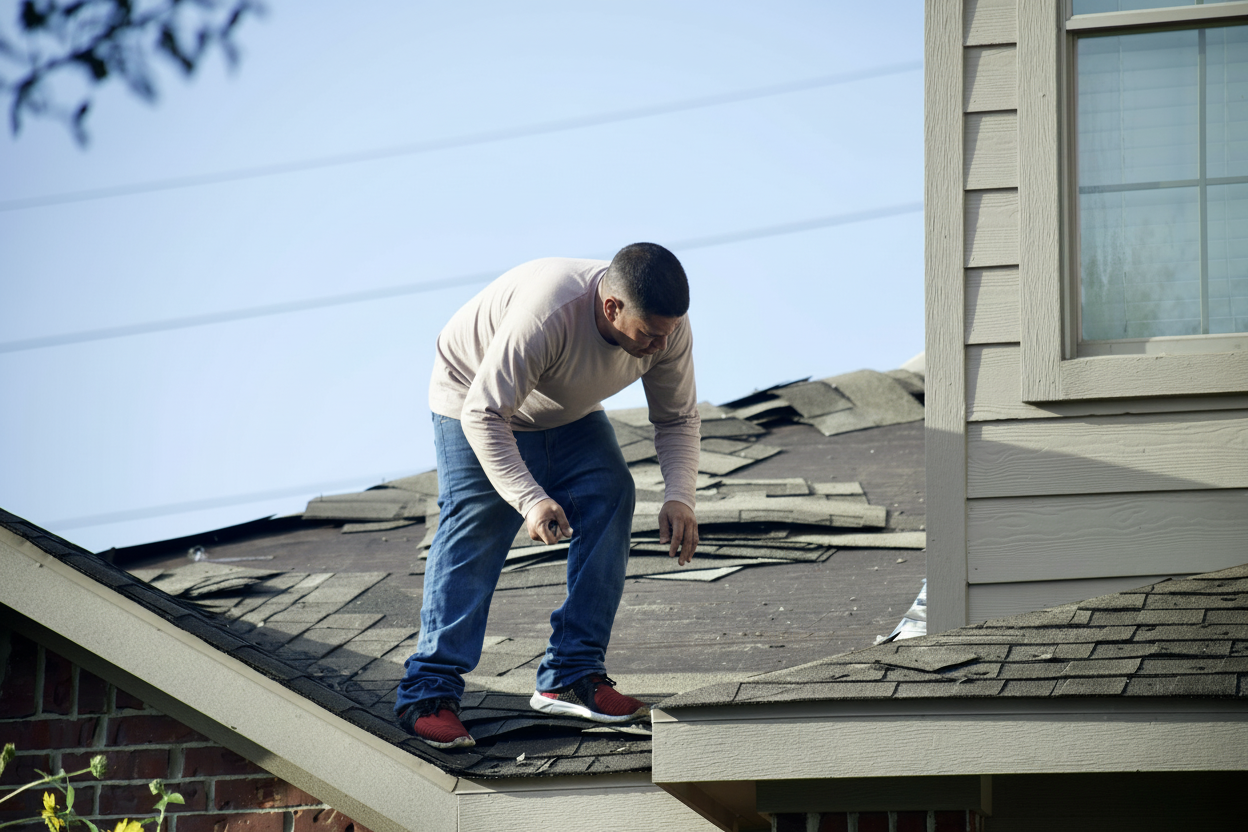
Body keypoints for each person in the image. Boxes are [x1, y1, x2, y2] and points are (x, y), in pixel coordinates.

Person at [393, 243, 701, 749]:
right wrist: (530, 498)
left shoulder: (667, 331)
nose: (655, 347)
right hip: (473, 398)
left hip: (565, 410)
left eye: (664, 335)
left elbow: (677, 418)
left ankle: (570, 673)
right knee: (478, 520)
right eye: (647, 334)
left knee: (611, 491)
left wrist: (679, 496)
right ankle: (428, 691)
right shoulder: (548, 313)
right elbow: (484, 414)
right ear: (611, 308)